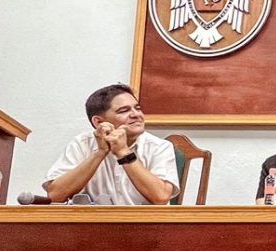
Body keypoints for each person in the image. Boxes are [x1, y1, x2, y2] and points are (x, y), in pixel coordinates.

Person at [44, 83, 179, 205]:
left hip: (143, 223)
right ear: (99, 122)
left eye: (137, 108)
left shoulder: (159, 147)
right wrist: (100, 153)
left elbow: (161, 197)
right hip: (92, 222)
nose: (136, 114)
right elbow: (56, 195)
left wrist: (123, 153)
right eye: (124, 111)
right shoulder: (82, 144)